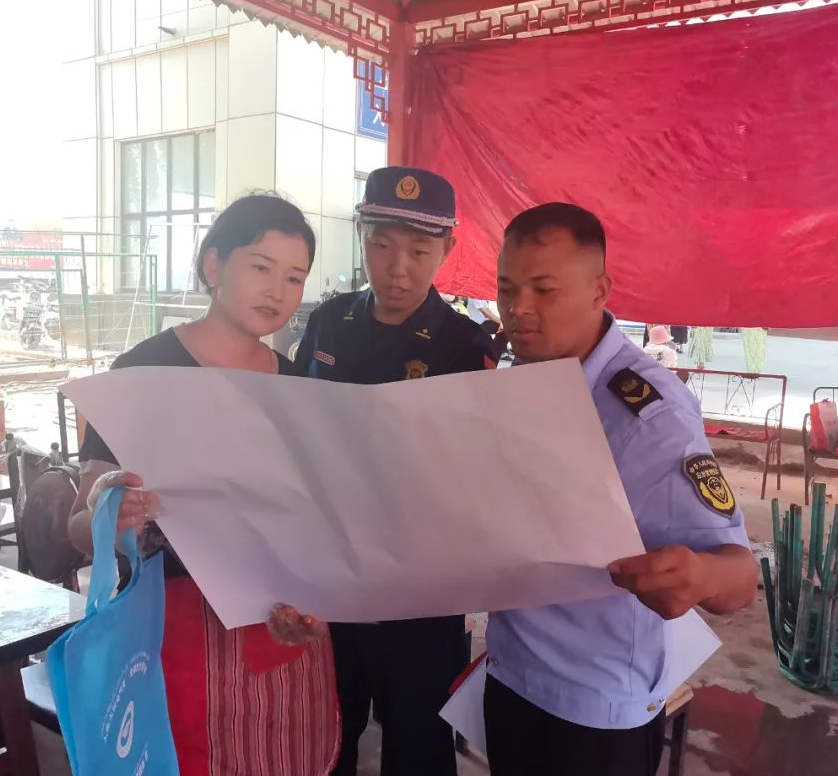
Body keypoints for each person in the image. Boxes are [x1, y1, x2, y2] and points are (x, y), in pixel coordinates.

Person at [66, 194, 339, 776]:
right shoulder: (142, 372)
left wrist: (316, 604)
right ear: (214, 264)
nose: (277, 291)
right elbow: (79, 523)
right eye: (261, 267)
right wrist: (110, 516)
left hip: (281, 632)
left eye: (294, 277)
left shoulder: (298, 387)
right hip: (176, 630)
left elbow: (313, 523)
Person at [485, 202, 757, 776]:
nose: (518, 309)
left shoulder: (649, 416)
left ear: (599, 290)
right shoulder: (527, 375)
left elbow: (739, 580)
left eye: (544, 290)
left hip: (594, 712)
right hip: (510, 673)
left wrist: (698, 575)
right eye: (507, 288)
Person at [293, 166, 495, 776]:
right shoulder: (329, 322)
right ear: (361, 235)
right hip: (331, 572)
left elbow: (474, 474)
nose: (397, 269)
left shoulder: (465, 346)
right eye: (381, 245)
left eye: (418, 251)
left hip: (420, 588)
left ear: (447, 250)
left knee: (418, 744)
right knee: (328, 733)